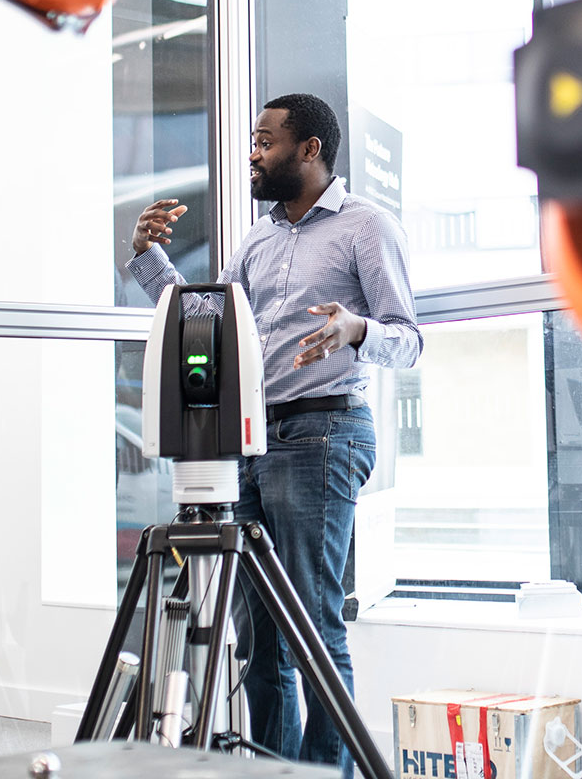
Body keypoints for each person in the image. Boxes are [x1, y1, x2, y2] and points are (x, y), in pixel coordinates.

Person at [127, 92, 421, 769]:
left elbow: (408, 340)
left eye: (264, 141)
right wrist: (148, 259)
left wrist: (356, 330)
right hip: (254, 443)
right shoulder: (258, 240)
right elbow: (209, 321)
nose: (252, 154)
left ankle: (323, 772)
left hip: (324, 435)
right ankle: (272, 768)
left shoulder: (365, 227)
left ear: (309, 149)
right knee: (260, 637)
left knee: (313, 626)